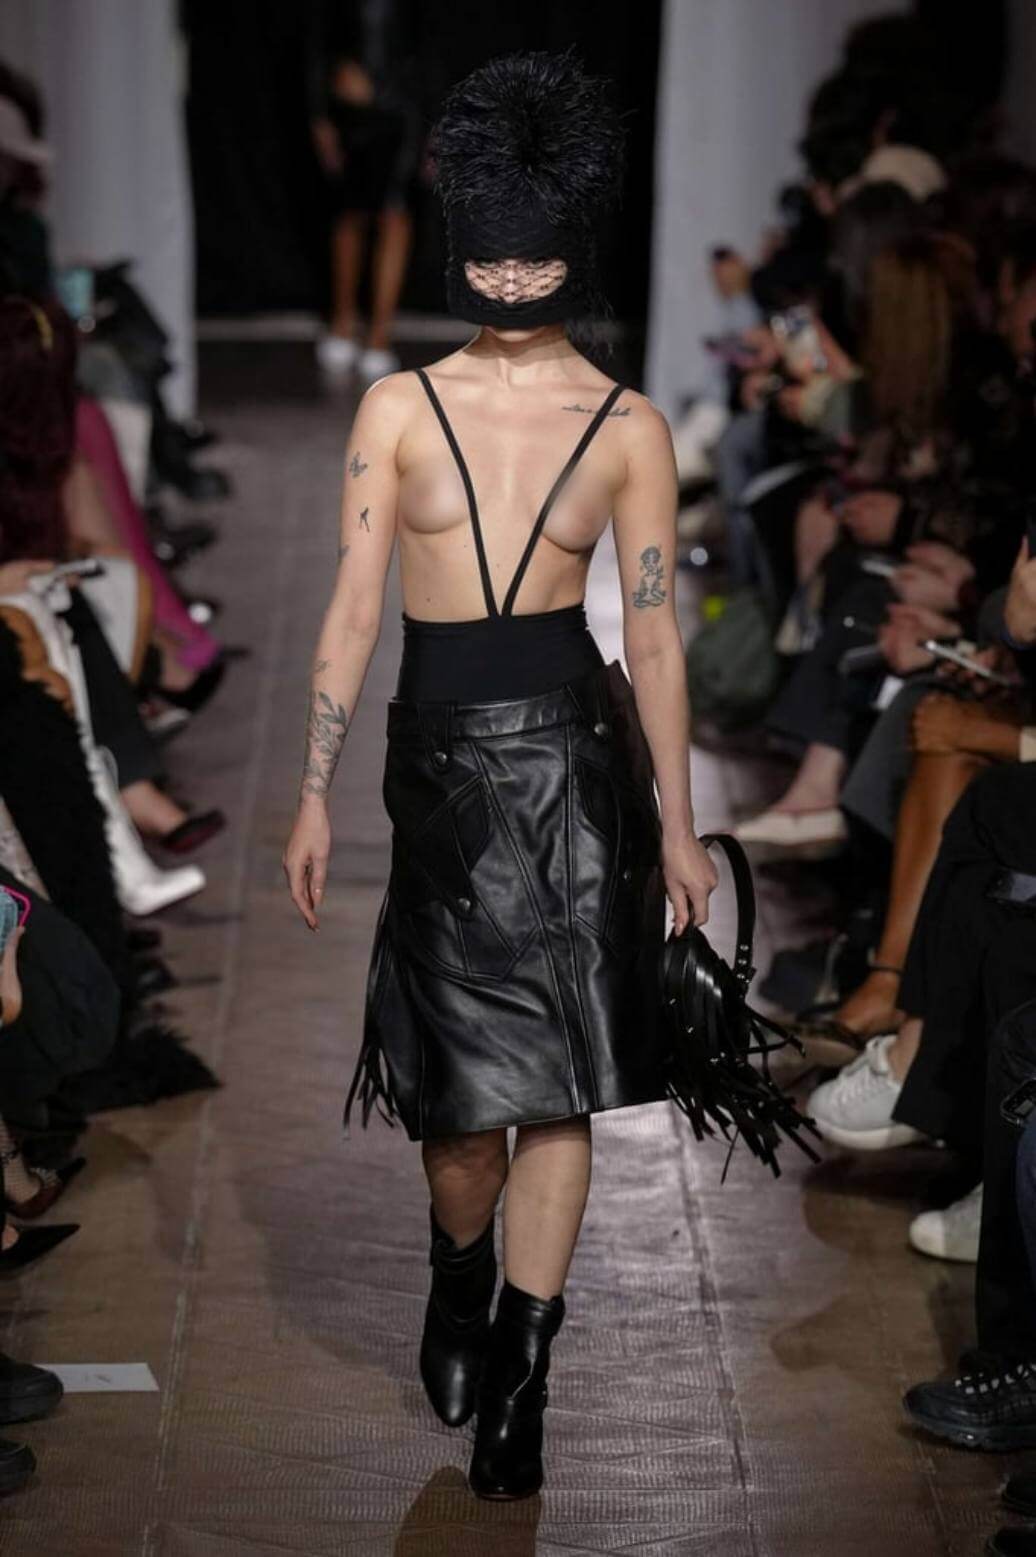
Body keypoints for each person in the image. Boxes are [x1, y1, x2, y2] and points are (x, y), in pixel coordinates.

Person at [283, 50, 717, 1501]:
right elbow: (353, 608)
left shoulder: (627, 425)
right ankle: (459, 1272)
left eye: (530, 254)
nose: (516, 275)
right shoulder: (399, 411)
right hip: (444, 780)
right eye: (500, 254)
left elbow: (654, 635)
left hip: (578, 771)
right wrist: (312, 788)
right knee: (463, 1110)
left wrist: (683, 826)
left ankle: (524, 1372)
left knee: (561, 1093)